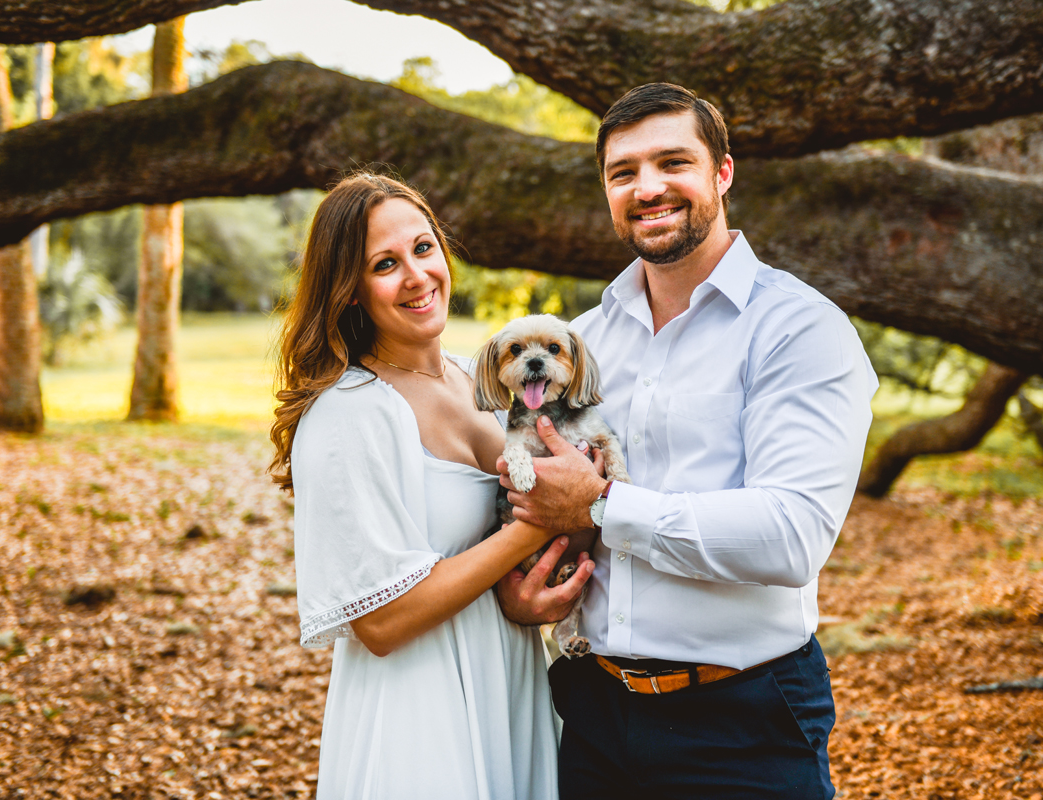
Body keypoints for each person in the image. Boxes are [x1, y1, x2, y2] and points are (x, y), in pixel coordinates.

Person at [496, 84, 879, 798]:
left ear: (722, 173)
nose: (648, 187)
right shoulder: (581, 343)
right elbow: (538, 500)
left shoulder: (798, 329)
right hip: (590, 712)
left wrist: (605, 504)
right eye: (623, 172)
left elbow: (791, 536)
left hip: (743, 722)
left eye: (673, 162)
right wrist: (521, 600)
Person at [268, 172, 593, 799]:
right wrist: (539, 522)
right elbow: (382, 622)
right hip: (419, 710)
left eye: (423, 248)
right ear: (352, 291)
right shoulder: (349, 413)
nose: (417, 276)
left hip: (509, 678)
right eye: (384, 264)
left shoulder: (484, 381)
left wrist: (528, 591)